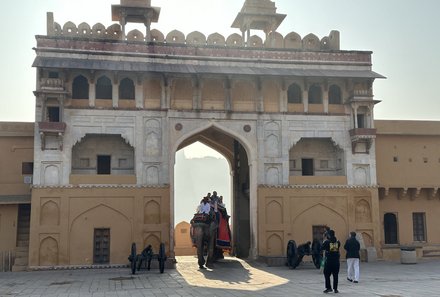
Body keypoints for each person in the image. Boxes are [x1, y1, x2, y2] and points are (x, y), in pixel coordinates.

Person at [321, 229, 341, 294]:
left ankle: (329, 288)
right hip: (336, 261)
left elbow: (322, 248)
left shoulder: (326, 242)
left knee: (326, 274)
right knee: (335, 275)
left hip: (329, 261)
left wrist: (324, 239)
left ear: (328, 235)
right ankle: (335, 289)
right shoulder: (338, 242)